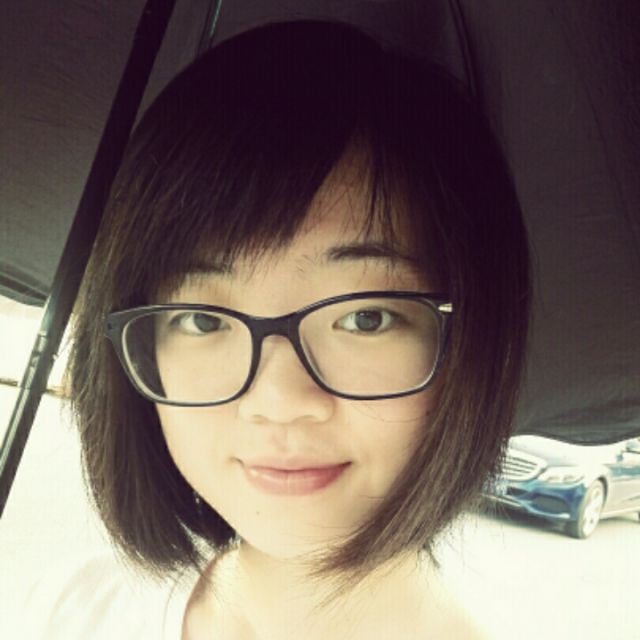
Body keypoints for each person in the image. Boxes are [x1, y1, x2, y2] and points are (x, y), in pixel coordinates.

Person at [31, 20, 530, 639]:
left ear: (475, 345)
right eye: (203, 319)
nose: (278, 401)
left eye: (365, 317)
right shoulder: (69, 611)